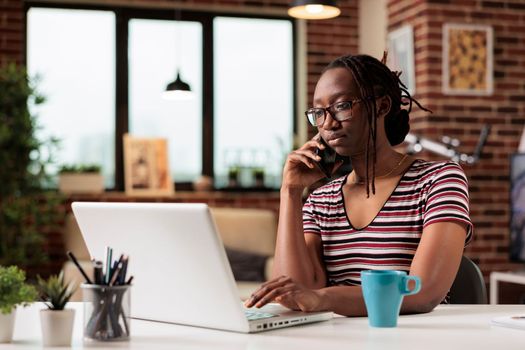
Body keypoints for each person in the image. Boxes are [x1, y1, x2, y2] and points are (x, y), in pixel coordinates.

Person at [244, 53, 473, 316]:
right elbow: (291, 292)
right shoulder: (321, 201)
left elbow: (420, 292)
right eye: (319, 112)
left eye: (341, 106)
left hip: (412, 338)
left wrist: (323, 299)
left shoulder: (438, 181)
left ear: (382, 106)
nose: (328, 123)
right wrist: (291, 192)